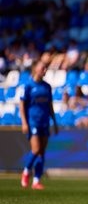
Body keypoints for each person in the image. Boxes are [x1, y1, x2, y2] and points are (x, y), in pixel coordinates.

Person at [20, 60, 58, 189]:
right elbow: (22, 105)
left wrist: (55, 122)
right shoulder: (28, 86)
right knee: (36, 149)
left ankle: (36, 180)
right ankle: (26, 172)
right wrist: (24, 122)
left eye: (46, 68)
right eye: (43, 68)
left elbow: (50, 105)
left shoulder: (47, 87)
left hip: (45, 122)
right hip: (33, 122)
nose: (45, 70)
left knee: (42, 152)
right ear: (35, 69)